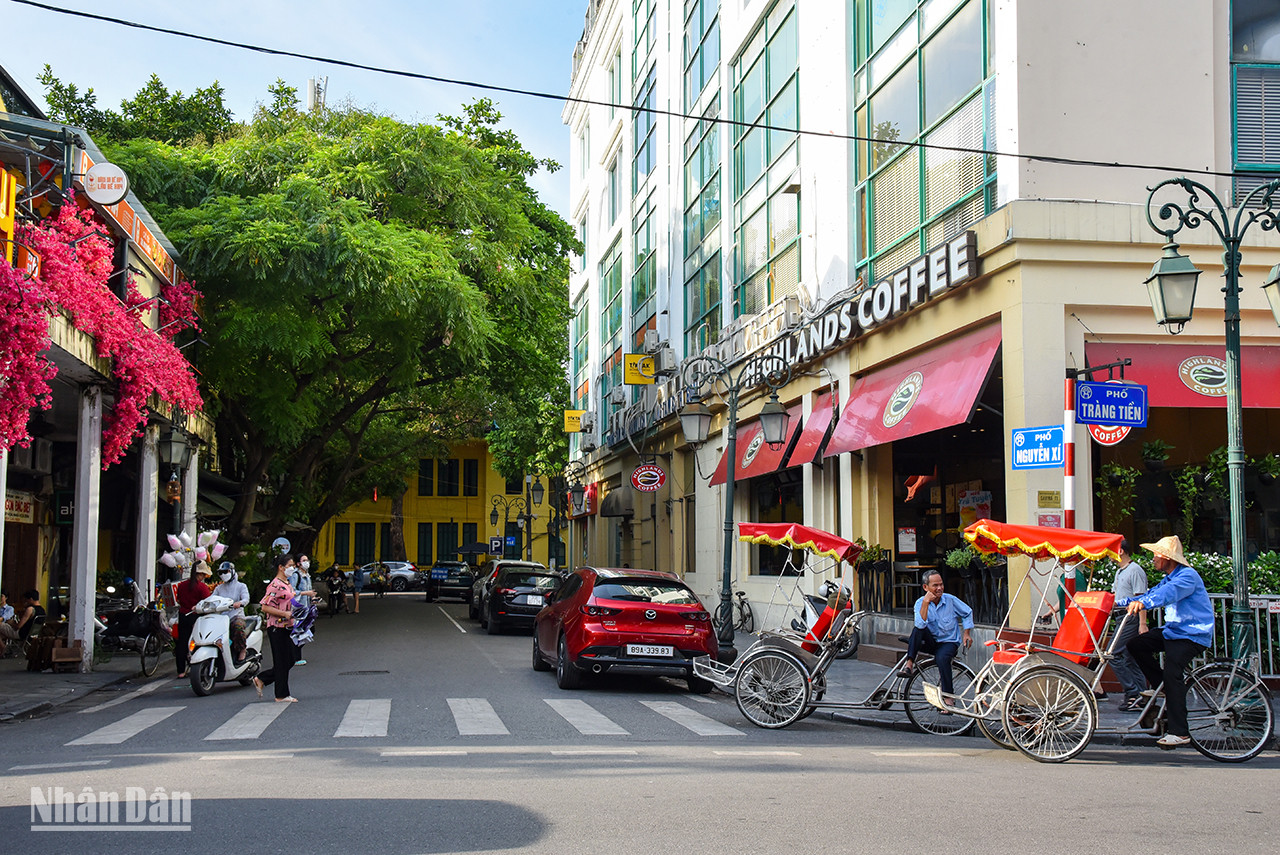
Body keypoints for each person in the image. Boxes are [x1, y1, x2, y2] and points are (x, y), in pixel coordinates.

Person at [1122, 535, 1214, 750]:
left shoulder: (1187, 576)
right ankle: (1160, 685)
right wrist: (1117, 602)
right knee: (1136, 645)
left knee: (1173, 673)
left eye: (1156, 555)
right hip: (1173, 631)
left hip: (1191, 634)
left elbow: (1166, 595)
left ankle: (1179, 732)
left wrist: (1143, 603)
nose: (1153, 559)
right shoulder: (1171, 576)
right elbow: (1153, 592)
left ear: (1167, 557)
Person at [899, 570, 974, 702]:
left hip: (948, 643)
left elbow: (967, 612)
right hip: (931, 642)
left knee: (942, 658)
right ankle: (909, 663)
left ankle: (948, 697)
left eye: (941, 584)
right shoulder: (920, 603)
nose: (939, 588)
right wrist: (926, 602)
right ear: (925, 587)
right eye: (935, 585)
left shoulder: (950, 600)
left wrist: (966, 633)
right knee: (917, 630)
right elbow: (920, 625)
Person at [253, 553, 300, 703]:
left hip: (288, 626)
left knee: (291, 659)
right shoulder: (275, 585)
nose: (292, 568)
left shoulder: (287, 583)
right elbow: (265, 607)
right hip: (277, 627)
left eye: (293, 566)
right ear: (281, 567)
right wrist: (284, 613)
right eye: (290, 566)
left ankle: (262, 679)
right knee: (281, 661)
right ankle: (281, 694)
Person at [1110, 538, 1150, 712]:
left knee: (1113, 654)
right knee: (1128, 657)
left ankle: (1132, 692)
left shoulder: (1135, 570)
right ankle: (1143, 694)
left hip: (1130, 617)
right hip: (1121, 617)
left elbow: (1141, 598)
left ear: (1120, 551)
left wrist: (1142, 623)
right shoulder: (1119, 572)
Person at [174, 563, 213, 678]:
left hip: (183, 615)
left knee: (182, 643)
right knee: (198, 641)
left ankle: (181, 671)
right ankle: (197, 665)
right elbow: (207, 603)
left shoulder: (181, 585)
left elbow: (179, 600)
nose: (204, 577)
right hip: (197, 617)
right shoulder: (202, 587)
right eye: (203, 575)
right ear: (199, 574)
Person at [212, 561, 250, 665]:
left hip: (236, 615)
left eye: (226, 572)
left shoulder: (241, 586)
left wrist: (240, 603)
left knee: (238, 627)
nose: (223, 574)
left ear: (232, 572)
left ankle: (242, 649)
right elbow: (212, 599)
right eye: (221, 573)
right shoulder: (219, 588)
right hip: (221, 619)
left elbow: (246, 599)